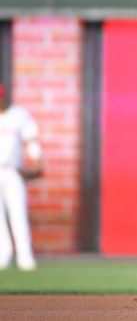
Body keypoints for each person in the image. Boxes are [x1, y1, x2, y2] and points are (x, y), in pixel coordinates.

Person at [0, 82, 43, 271]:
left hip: (13, 170)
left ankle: (25, 257)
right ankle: (4, 253)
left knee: (18, 213)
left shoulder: (19, 114)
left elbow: (31, 139)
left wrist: (37, 161)